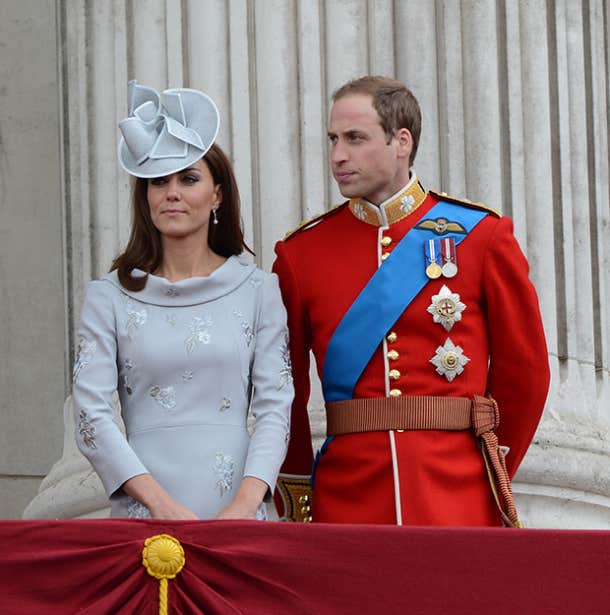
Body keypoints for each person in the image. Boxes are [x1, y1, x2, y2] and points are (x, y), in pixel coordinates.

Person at [272, 75, 550, 526]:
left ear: (402, 141)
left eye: (355, 138)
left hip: (458, 489)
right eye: (333, 139)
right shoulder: (301, 254)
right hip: (348, 496)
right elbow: (285, 389)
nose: (338, 156)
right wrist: (299, 484)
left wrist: (493, 468)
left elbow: (527, 371)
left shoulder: (481, 235)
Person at [73, 81, 292, 520]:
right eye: (158, 181)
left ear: (217, 194)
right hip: (144, 513)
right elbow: (91, 414)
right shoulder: (108, 296)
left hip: (239, 517)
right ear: (146, 197)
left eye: (188, 178)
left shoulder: (258, 290)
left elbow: (275, 407)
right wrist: (160, 506)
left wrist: (245, 506)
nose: (171, 192)